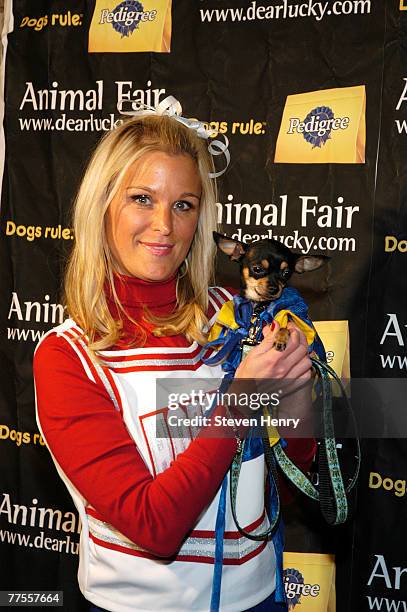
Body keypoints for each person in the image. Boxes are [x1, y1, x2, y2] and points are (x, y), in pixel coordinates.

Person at [33, 102, 315, 612]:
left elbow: (286, 484)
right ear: (102, 205)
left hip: (259, 598)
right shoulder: (66, 356)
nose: (164, 225)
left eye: (184, 205)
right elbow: (155, 527)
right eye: (142, 198)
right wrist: (245, 397)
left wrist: (296, 399)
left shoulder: (237, 318)